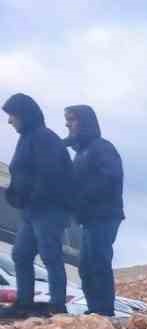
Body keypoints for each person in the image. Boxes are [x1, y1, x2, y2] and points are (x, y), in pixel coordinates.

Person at [2, 93, 73, 316]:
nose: (9, 121)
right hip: (31, 211)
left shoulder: (45, 138)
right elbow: (19, 173)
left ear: (24, 114)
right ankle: (24, 303)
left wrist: (32, 196)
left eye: (12, 115)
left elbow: (50, 174)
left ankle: (58, 306)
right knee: (21, 254)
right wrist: (14, 195)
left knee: (50, 254)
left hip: (49, 209)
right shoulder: (26, 139)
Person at [64, 105, 124, 318]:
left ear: (85, 122)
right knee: (86, 265)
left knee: (99, 260)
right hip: (89, 217)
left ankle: (104, 311)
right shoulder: (80, 152)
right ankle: (96, 309)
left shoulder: (102, 147)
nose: (67, 124)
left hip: (105, 214)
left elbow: (112, 178)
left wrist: (84, 195)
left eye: (71, 119)